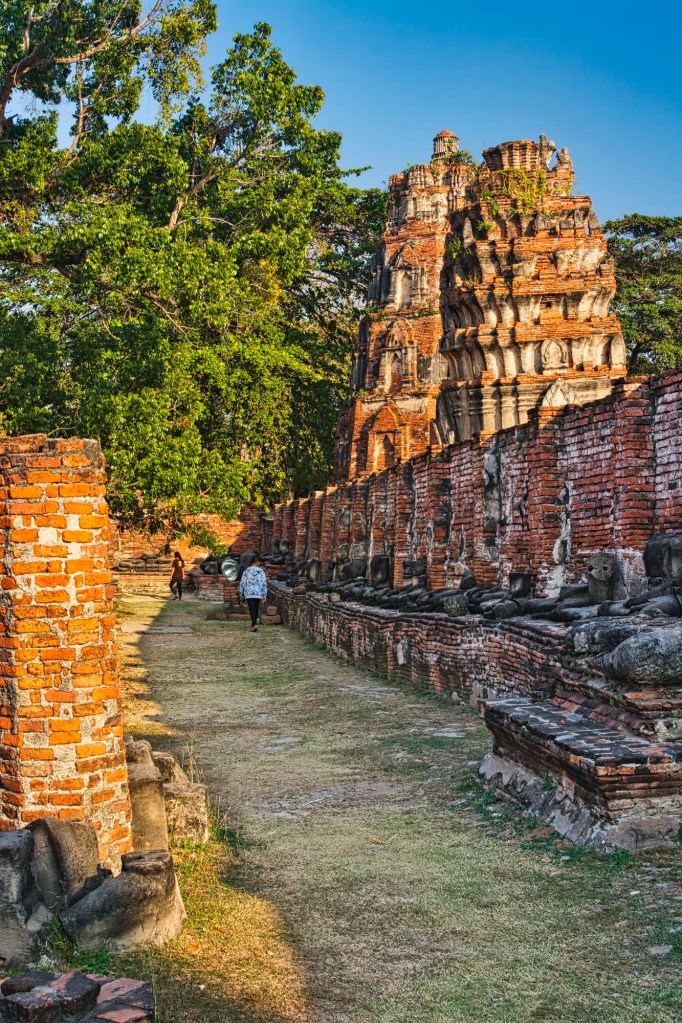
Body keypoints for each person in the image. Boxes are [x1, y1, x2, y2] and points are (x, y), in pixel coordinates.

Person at [239, 554, 267, 631]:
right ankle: (254, 624)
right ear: (257, 562)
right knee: (256, 608)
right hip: (258, 593)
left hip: (249, 593)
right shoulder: (261, 571)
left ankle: (254, 624)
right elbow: (264, 583)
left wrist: (241, 594)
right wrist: (264, 595)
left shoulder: (246, 571)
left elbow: (242, 583)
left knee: (251, 608)